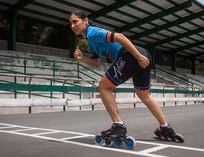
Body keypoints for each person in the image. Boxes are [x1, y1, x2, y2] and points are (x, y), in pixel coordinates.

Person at [69, 10, 184, 141]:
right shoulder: (89, 41)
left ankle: (118, 125)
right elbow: (96, 63)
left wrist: (139, 57)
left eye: (75, 21)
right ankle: (165, 127)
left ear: (86, 21)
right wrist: (82, 59)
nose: (72, 25)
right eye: (70, 23)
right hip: (142, 55)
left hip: (132, 55)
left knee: (103, 87)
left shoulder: (92, 32)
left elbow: (120, 37)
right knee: (144, 95)